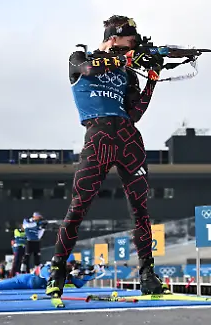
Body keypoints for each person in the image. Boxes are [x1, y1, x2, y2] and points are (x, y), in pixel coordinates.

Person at [46, 15, 165, 299]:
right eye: (130, 42)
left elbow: (135, 112)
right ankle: (57, 269)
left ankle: (147, 272)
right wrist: (126, 60)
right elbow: (86, 69)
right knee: (79, 205)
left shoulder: (127, 72)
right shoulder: (80, 56)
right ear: (113, 38)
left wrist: (152, 80)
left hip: (127, 137)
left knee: (141, 209)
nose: (133, 47)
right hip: (98, 135)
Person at [0, 256, 97, 291]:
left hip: (30, 287)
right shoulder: (51, 267)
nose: (72, 266)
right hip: (24, 280)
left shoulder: (67, 273)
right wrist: (66, 277)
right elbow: (49, 277)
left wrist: (90, 275)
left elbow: (79, 284)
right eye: (71, 264)